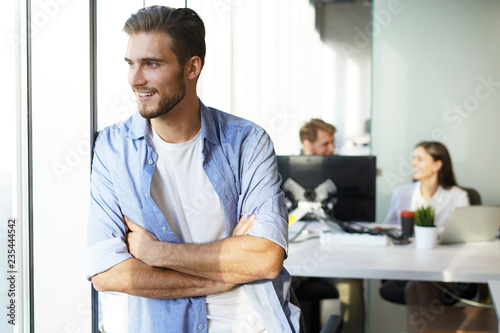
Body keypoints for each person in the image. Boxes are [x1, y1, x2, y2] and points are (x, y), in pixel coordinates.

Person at [85, 6, 300, 332]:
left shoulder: (246, 142)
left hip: (247, 323)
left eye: (151, 64)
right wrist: (217, 280)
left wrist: (155, 252)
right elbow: (106, 271)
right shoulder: (113, 148)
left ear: (192, 67)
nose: (135, 79)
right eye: (130, 63)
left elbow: (265, 258)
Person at [380, 141, 475, 306]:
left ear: (437, 165)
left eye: (420, 158)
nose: (413, 163)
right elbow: (388, 229)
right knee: (418, 283)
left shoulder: (458, 196)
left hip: (445, 265)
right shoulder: (402, 193)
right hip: (409, 263)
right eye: (413, 158)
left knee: (415, 286)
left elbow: (464, 237)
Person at [294, 119, 365, 333]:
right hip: (298, 255)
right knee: (280, 284)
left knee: (351, 287)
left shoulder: (344, 171)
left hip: (333, 253)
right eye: (326, 144)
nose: (332, 149)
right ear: (308, 144)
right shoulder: (280, 171)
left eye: (332, 143)